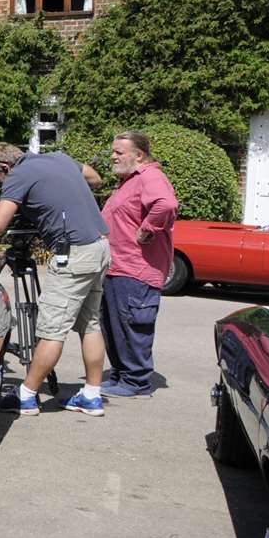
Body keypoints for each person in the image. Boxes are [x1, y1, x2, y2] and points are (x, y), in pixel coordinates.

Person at [0, 142, 110, 417]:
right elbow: (95, 177)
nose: (0, 183)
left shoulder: (19, 175)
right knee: (90, 324)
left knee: (51, 330)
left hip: (73, 255)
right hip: (99, 246)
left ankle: (27, 395)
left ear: (5, 168)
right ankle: (91, 395)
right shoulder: (57, 157)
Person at [99, 131, 179, 399]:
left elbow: (166, 205)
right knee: (115, 326)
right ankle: (122, 375)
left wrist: (148, 229)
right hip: (118, 267)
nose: (113, 156)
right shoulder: (129, 181)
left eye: (119, 152)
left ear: (139, 155)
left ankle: (136, 381)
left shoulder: (150, 177)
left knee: (132, 324)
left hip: (135, 270)